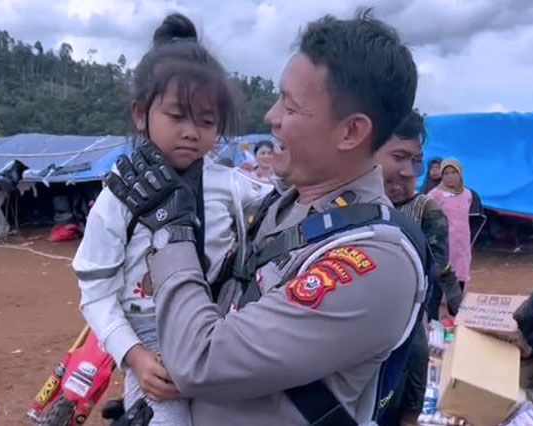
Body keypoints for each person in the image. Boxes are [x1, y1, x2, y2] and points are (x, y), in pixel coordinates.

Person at [107, 10, 425, 425]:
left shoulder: (373, 262)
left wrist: (171, 232)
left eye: (290, 106)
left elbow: (200, 359)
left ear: (351, 132)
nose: (271, 117)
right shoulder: (276, 209)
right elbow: (209, 314)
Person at [73, 13, 266, 425]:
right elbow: (97, 295)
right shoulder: (118, 197)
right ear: (141, 114)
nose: (192, 132)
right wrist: (136, 359)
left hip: (216, 335)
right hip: (149, 345)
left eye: (207, 121)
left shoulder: (234, 187)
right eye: (178, 117)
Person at [375, 111, 463, 426]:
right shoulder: (359, 207)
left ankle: (410, 414)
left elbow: (437, 260)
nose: (407, 174)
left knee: (414, 352)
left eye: (416, 163)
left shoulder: (426, 208)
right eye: (399, 159)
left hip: (408, 310)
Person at [428, 159, 472, 292]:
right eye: (446, 173)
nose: (450, 176)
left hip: (462, 243)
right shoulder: (434, 195)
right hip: (444, 244)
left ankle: (456, 309)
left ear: (460, 174)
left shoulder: (467, 194)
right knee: (442, 277)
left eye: (454, 172)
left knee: (461, 274)